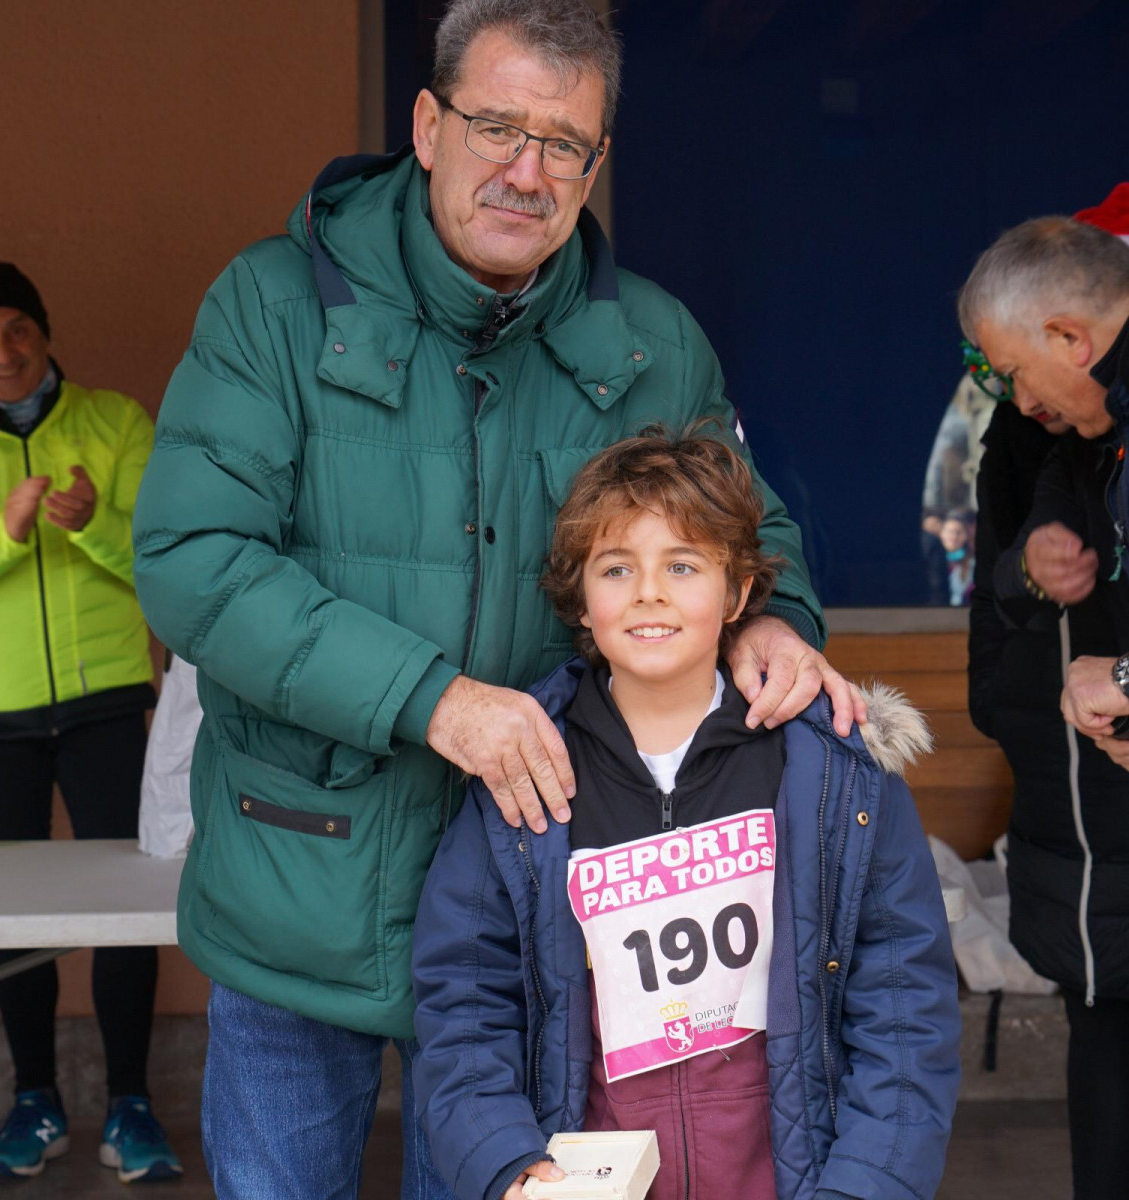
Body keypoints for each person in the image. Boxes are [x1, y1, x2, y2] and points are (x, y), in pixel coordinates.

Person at [132, 2, 864, 1194]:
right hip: (296, 880)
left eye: (564, 144)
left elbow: (753, 530)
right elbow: (191, 560)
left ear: (597, 163)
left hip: (526, 913)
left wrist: (774, 618)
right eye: (494, 128)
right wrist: (434, 701)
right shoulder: (272, 305)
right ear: (427, 126)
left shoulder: (652, 344)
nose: (526, 172)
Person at [412, 426, 960, 1200]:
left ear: (738, 593)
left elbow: (904, 1008)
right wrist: (505, 1160)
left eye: (682, 564)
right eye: (615, 567)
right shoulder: (522, 774)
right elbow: (464, 999)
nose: (649, 592)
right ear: (580, 597)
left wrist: (868, 1184)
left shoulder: (837, 777)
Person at [0, 263, 180, 1181]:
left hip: (107, 696)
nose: (1, 352)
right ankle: (33, 1098)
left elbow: (161, 553)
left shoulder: (115, 423)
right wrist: (0, 535)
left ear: (43, 331)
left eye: (15, 330)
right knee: (10, 911)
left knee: (128, 905)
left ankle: (130, 1103)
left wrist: (90, 524)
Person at [959, 193, 1129, 1200]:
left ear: (1070, 334)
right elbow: (1002, 645)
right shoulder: (1067, 443)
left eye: (1013, 373)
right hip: (1087, 874)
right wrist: (1031, 572)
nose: (1013, 401)